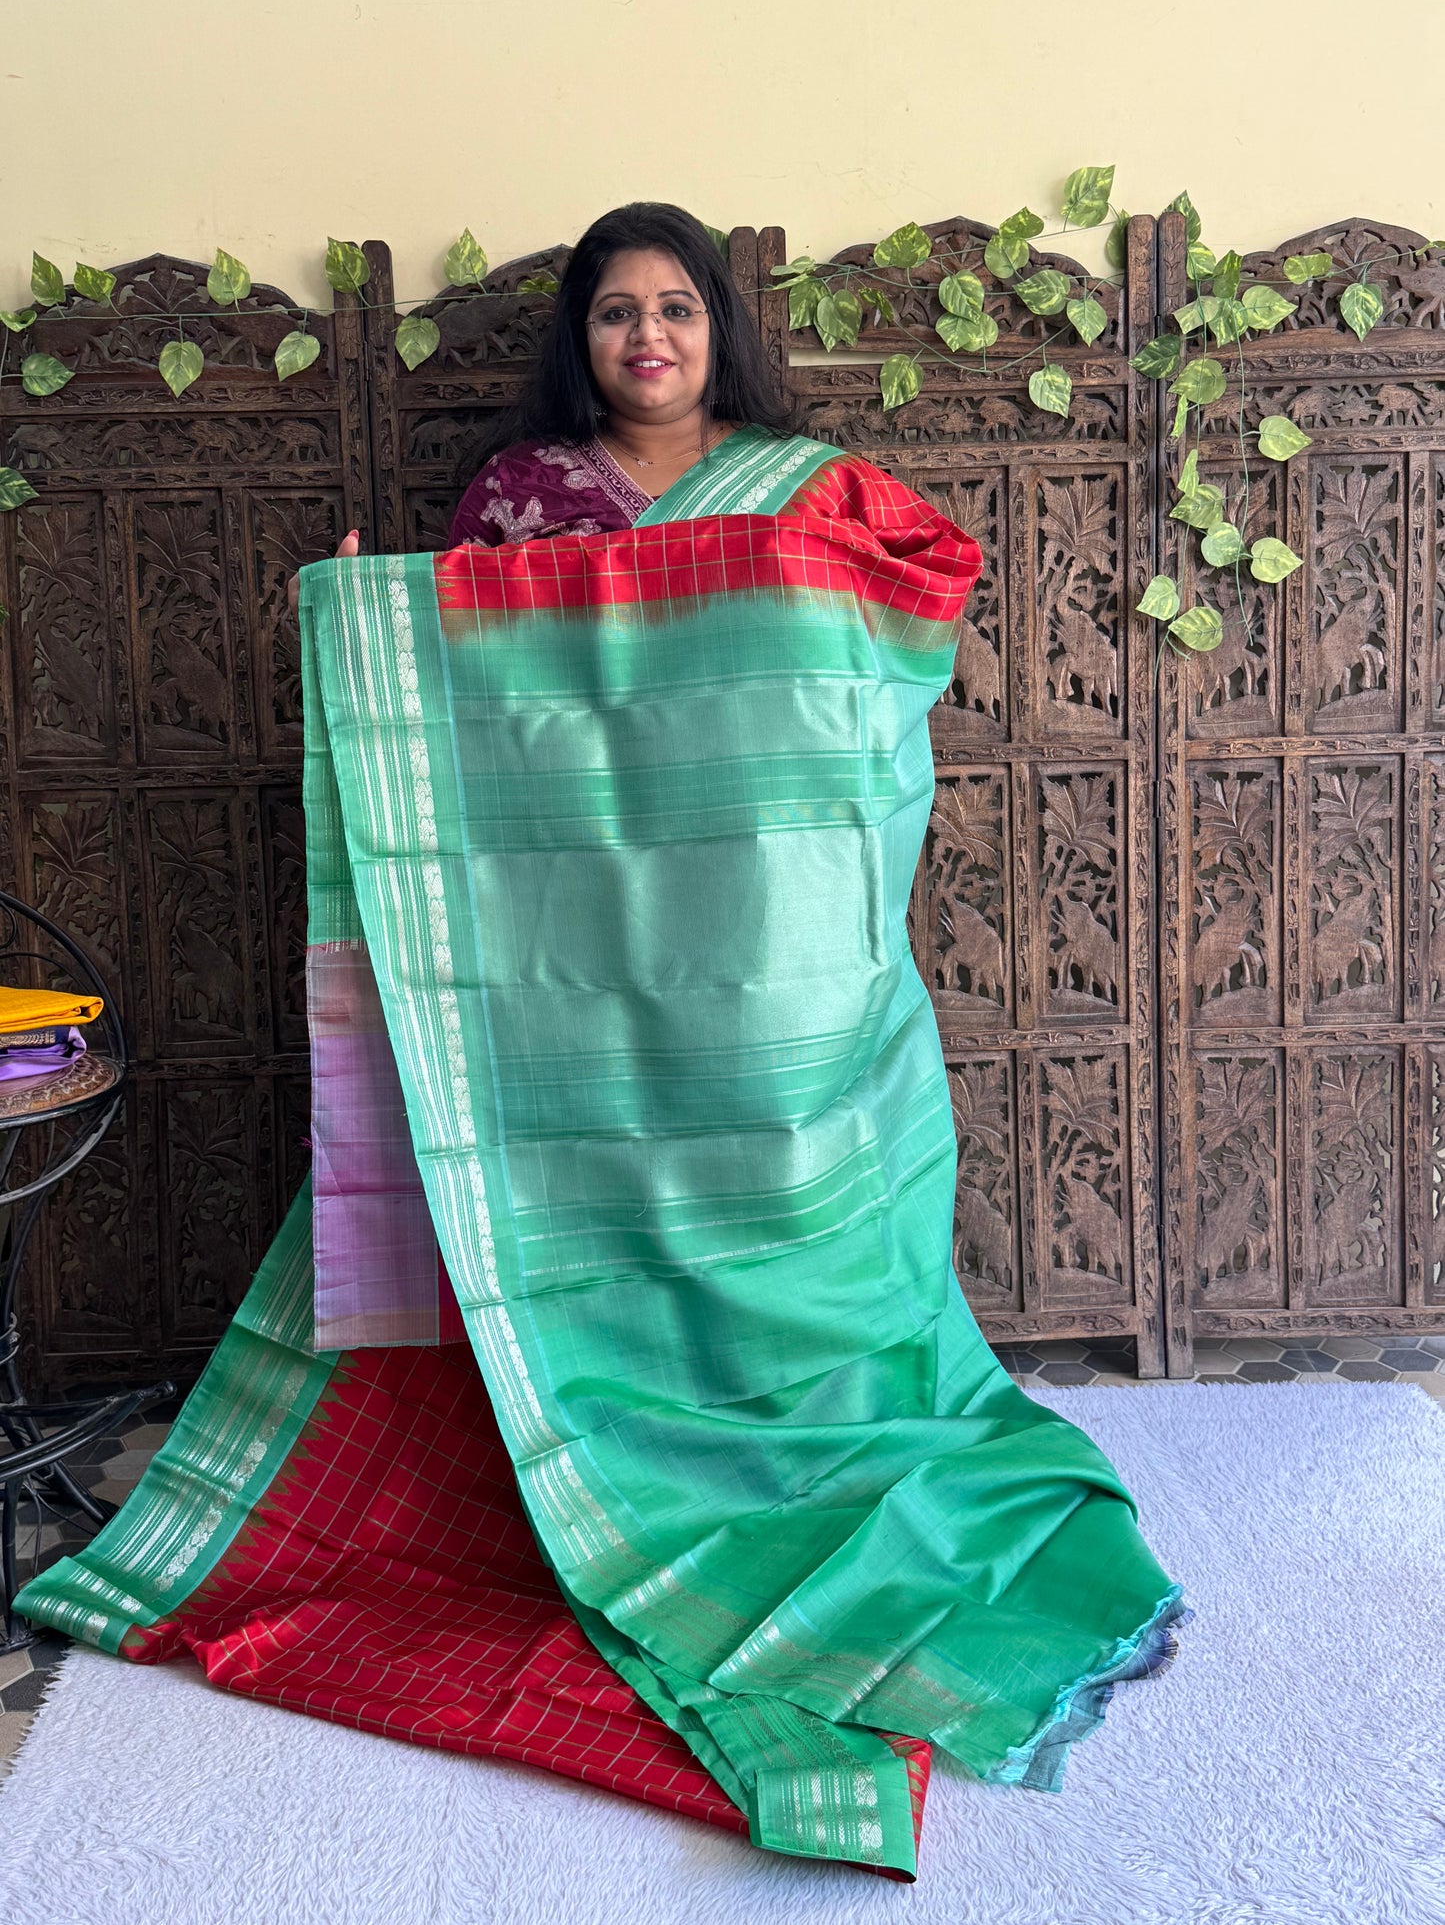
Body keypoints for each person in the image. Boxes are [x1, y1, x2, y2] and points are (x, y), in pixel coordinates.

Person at [28, 204, 1188, 1883]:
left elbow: (885, 657)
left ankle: (799, 1456)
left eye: (675, 309)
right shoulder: (523, 499)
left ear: (721, 325)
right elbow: (475, 722)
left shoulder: (808, 491)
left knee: (807, 1208)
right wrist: (387, 622)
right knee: (588, 1211)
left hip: (771, 957)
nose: (646, 339)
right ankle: (611, 1459)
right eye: (615, 315)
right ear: (579, 340)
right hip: (571, 954)